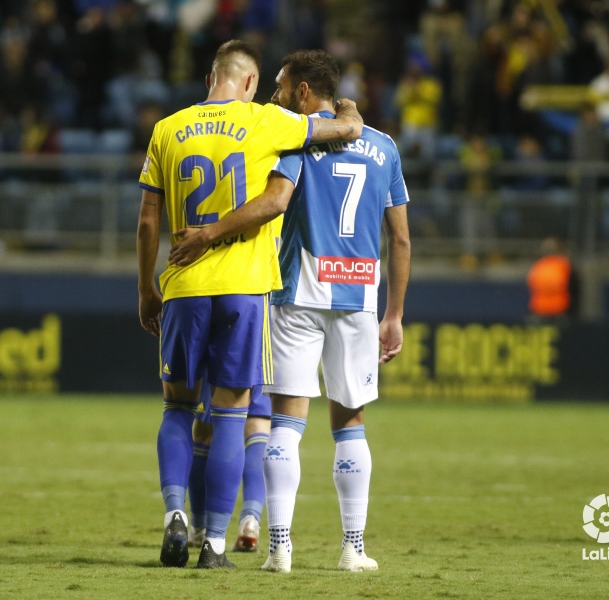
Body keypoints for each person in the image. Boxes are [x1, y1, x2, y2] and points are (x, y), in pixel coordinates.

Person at [169, 49, 411, 573]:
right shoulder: (384, 146)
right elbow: (402, 240)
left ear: (303, 91)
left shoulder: (292, 139)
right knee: (351, 425)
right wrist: (393, 315)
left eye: (280, 87)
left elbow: (275, 202)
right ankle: (353, 550)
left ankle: (279, 548)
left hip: (297, 293)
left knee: (284, 424)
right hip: (357, 298)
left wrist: (209, 233)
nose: (273, 96)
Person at [136, 40, 363, 570]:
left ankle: (175, 515)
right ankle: (215, 541)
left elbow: (149, 220)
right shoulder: (265, 122)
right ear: (247, 83)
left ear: (213, 76)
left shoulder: (167, 129)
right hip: (244, 287)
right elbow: (342, 129)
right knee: (234, 417)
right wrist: (350, 109)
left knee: (177, 407)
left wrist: (148, 287)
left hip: (183, 285)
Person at [186, 381, 270, 554]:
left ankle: (199, 526)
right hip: (266, 356)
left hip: (223, 358)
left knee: (208, 428)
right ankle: (251, 519)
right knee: (258, 424)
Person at [526, 237, 578, 321]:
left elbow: (530, 285)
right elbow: (574, 289)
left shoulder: (538, 266)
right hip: (558, 309)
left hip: (541, 309)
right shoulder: (564, 265)